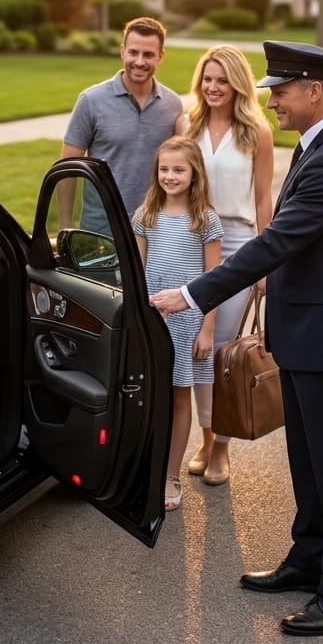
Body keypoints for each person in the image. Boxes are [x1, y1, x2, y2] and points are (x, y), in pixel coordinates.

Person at [151, 41, 323, 638]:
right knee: (306, 459)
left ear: (315, 91)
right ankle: (308, 558)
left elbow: (276, 242)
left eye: (283, 89)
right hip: (308, 330)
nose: (272, 98)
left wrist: (196, 293)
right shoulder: (319, 145)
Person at [179, 45, 274, 486]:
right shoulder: (187, 123)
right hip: (191, 242)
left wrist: (265, 264)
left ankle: (221, 448)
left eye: (222, 80)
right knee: (194, 350)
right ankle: (206, 434)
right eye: (208, 79)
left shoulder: (257, 130)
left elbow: (261, 199)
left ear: (237, 83)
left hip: (237, 247)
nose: (213, 88)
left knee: (220, 349)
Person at [131, 135, 223, 512]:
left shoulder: (205, 220)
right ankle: (146, 467)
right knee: (149, 395)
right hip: (152, 322)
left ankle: (171, 474)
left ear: (194, 173)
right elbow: (137, 274)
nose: (170, 176)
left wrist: (207, 330)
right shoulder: (145, 216)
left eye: (178, 170)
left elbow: (214, 281)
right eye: (164, 169)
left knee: (179, 396)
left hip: (187, 325)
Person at [59, 17, 183, 231]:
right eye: (133, 52)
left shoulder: (172, 105)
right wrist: (65, 227)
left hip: (154, 229)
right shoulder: (91, 100)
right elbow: (66, 170)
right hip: (100, 231)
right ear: (122, 51)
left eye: (149, 55)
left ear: (161, 57)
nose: (140, 61)